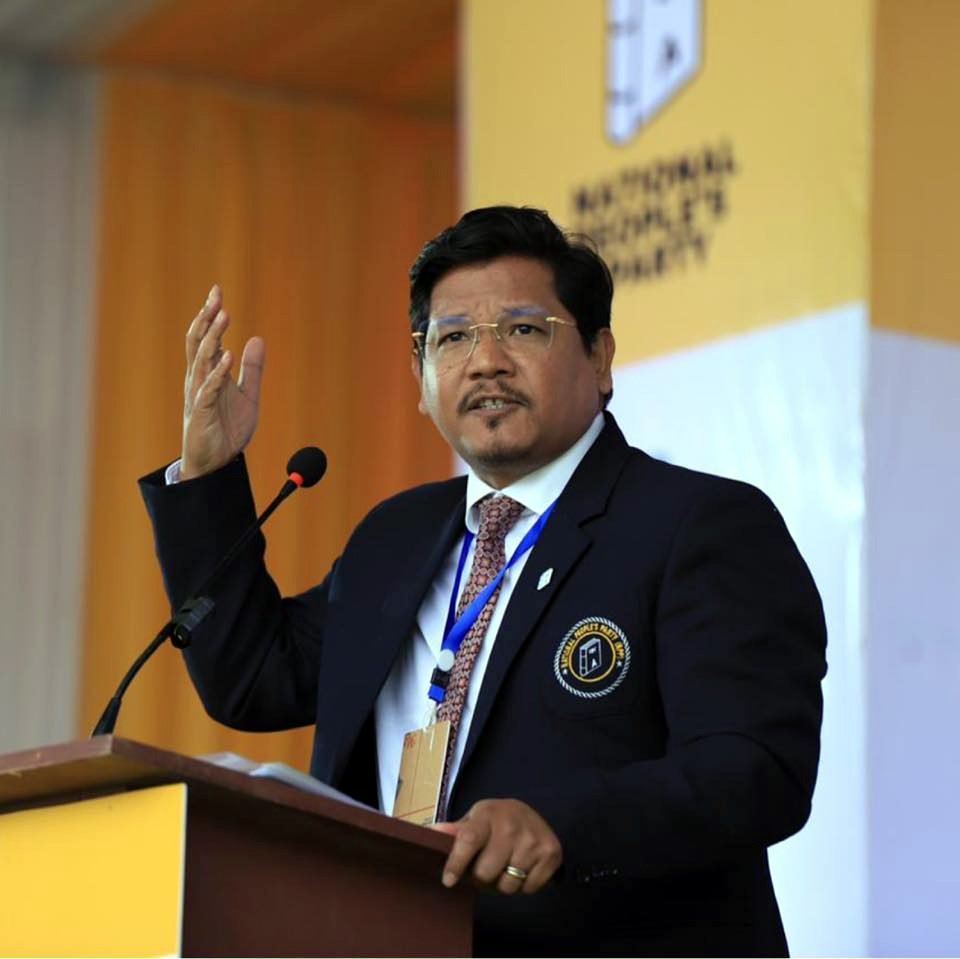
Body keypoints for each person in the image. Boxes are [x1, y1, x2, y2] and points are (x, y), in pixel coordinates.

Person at [140, 206, 827, 957]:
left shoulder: (698, 524)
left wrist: (561, 825)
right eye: (454, 337)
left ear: (600, 358)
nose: (486, 361)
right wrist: (207, 475)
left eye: (524, 329)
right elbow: (250, 678)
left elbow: (755, 770)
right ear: (420, 376)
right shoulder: (395, 537)